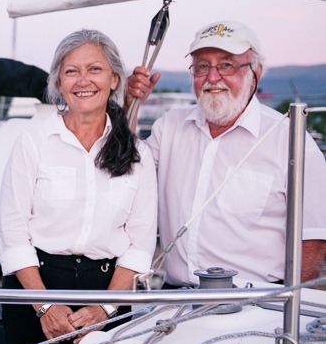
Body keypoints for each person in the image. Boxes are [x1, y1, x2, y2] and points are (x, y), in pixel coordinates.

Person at [0, 29, 158, 344]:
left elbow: (139, 244)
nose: (83, 81)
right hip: (35, 291)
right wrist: (44, 307)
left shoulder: (136, 153)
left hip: (108, 293)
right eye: (71, 71)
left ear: (114, 79)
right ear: (58, 82)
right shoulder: (33, 141)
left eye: (95, 69)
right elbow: (13, 232)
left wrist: (104, 310)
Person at [126, 21, 326, 288]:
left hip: (256, 303)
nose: (212, 78)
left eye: (227, 65)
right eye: (202, 67)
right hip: (175, 299)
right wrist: (130, 106)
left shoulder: (289, 139)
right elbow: (126, 177)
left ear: (256, 72)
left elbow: (313, 238)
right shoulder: (169, 127)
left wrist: (289, 307)